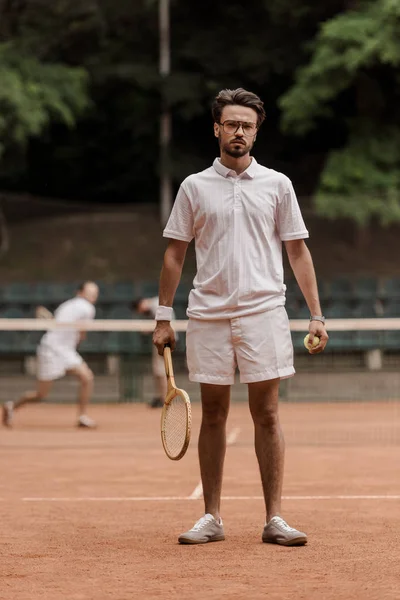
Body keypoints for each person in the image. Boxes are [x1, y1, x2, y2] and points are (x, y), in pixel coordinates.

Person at [153, 88, 329, 546]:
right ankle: (211, 517)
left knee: (267, 413)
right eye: (231, 124)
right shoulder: (194, 186)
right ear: (217, 128)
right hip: (208, 315)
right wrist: (162, 315)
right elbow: (175, 254)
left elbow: (297, 250)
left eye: (247, 125)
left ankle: (275, 519)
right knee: (212, 413)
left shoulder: (278, 184)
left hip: (263, 313)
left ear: (256, 131)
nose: (239, 132)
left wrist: (316, 314)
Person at [2, 281, 99, 429]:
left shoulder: (65, 305)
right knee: (41, 394)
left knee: (86, 377)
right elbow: (82, 332)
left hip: (64, 350)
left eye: (95, 294)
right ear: (80, 293)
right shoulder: (88, 308)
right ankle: (11, 406)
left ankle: (82, 416)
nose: (93, 296)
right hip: (52, 350)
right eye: (90, 293)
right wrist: (78, 339)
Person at [132, 297, 176, 408]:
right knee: (158, 370)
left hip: (165, 340)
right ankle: (160, 396)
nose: (141, 312)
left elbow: (163, 325)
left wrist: (147, 329)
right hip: (162, 340)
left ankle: (165, 398)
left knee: (160, 370)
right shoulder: (155, 305)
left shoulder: (157, 305)